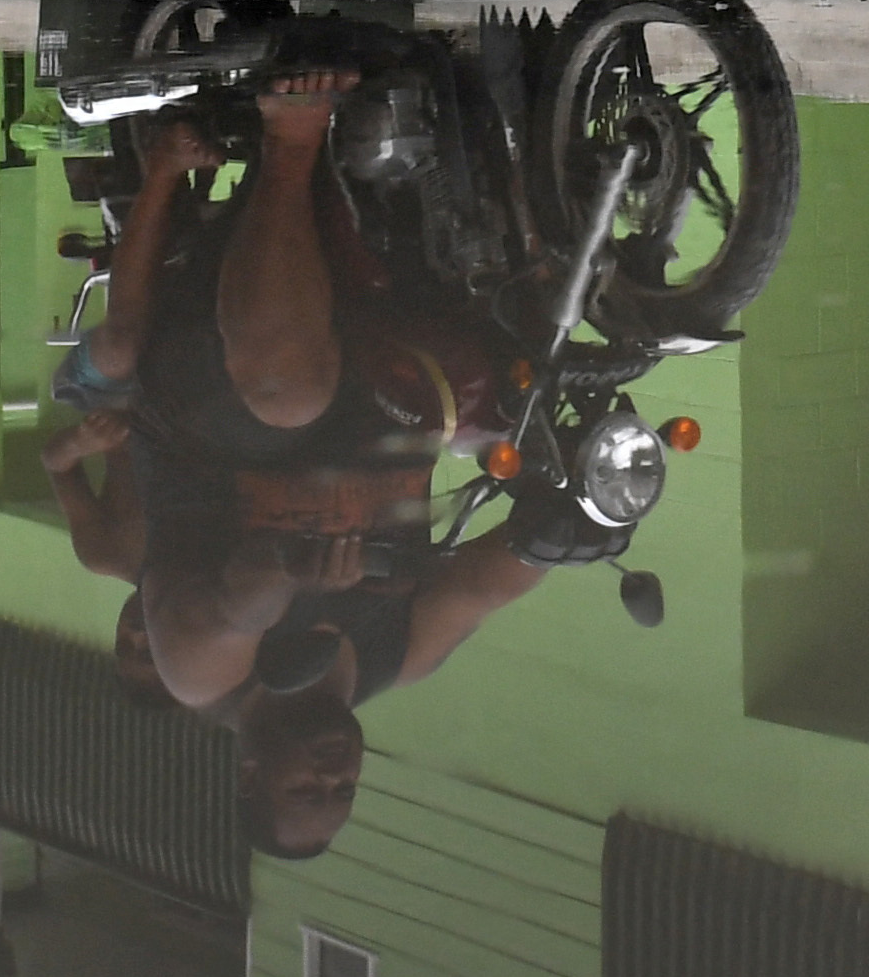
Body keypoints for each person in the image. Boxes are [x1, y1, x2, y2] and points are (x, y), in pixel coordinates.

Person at [40, 56, 545, 857]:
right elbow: (483, 587)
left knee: (288, 394)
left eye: (306, 788)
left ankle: (289, 139)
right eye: (341, 790)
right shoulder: (400, 656)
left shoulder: (202, 676)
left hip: (216, 409)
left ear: (249, 773)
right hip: (381, 407)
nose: (332, 772)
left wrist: (291, 569)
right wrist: (574, 526)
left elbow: (239, 601)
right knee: (521, 376)